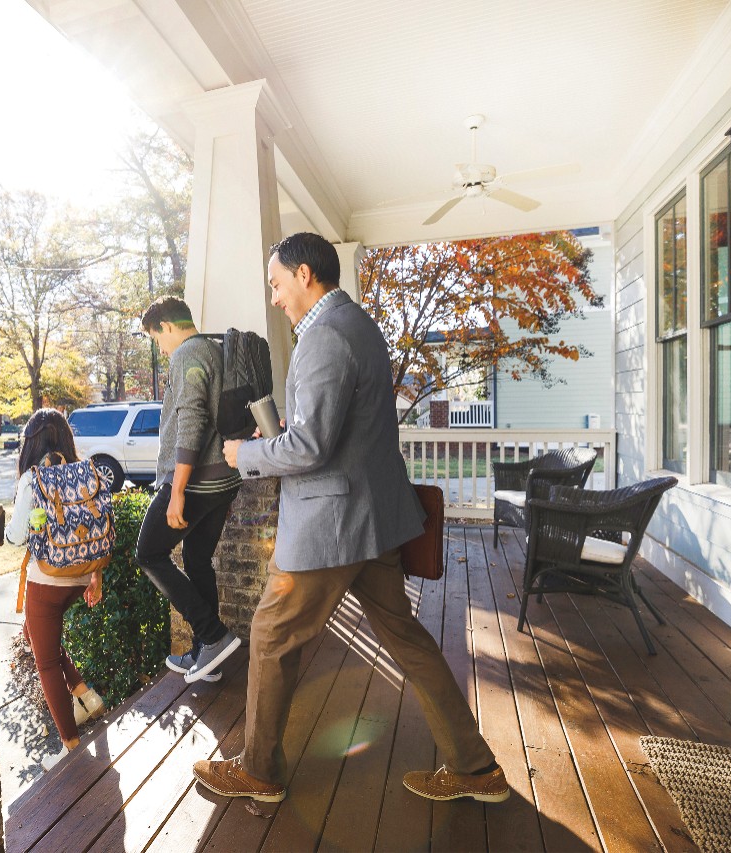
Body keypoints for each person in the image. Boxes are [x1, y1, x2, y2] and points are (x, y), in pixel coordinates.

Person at [194, 232, 509, 805]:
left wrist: (249, 456)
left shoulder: (323, 338)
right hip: (374, 522)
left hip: (330, 527)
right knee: (408, 639)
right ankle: (476, 767)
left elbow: (311, 447)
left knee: (268, 634)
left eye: (277, 283)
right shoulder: (359, 326)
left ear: (305, 274)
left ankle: (259, 772)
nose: (274, 296)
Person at [136, 296, 242, 684]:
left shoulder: (188, 353)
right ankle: (206, 655)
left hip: (197, 482)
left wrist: (177, 488)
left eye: (155, 338)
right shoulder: (217, 350)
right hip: (224, 481)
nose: (160, 349)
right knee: (197, 561)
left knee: (148, 553)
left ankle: (213, 636)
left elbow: (192, 419)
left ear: (166, 326)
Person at [7, 408, 106, 771]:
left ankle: (70, 746)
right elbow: (96, 525)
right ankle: (85, 695)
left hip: (47, 580)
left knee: (45, 661)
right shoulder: (83, 470)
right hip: (79, 575)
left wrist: (5, 532)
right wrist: (95, 576)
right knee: (34, 635)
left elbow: (17, 535)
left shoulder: (32, 479)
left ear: (30, 444)